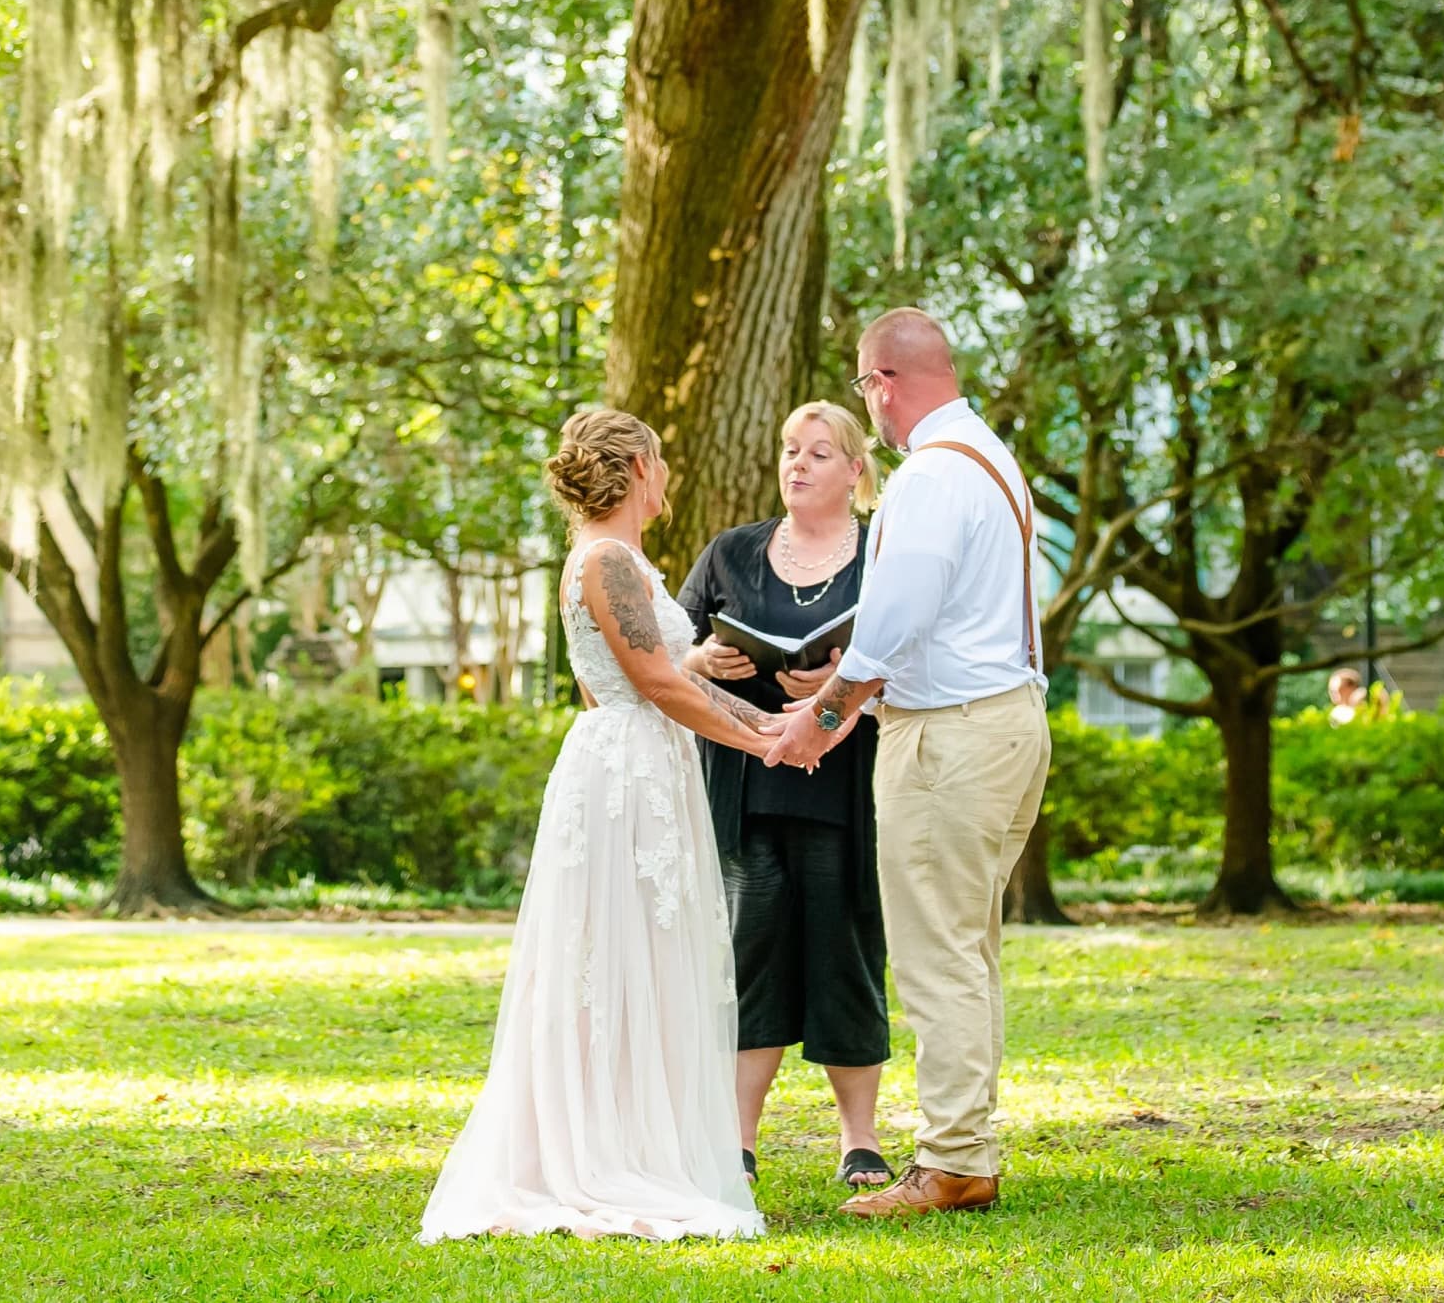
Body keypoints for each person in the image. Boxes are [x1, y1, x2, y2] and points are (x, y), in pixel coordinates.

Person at [421, 407, 772, 1245]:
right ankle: (601, 1151)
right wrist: (767, 740)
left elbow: (657, 676)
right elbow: (659, 683)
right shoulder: (606, 558)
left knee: (637, 953)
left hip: (641, 764)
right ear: (638, 466)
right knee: (612, 954)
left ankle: (631, 1134)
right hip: (626, 773)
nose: (668, 474)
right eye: (662, 459)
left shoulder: (609, 557)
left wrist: (764, 725)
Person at [768, 309, 1049, 1221]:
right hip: (1007, 721)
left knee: (937, 951)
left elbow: (896, 619)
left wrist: (826, 715)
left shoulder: (929, 474)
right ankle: (967, 1144)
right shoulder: (992, 458)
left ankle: (954, 1159)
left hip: (949, 736)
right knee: (968, 944)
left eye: (863, 386)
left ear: (882, 382)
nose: (868, 405)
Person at [677, 402, 891, 1192]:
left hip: (845, 779)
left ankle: (859, 1138)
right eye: (790, 449)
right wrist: (704, 660)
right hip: (745, 781)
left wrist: (844, 687)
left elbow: (911, 656)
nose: (797, 463)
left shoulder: (884, 552)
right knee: (751, 949)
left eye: (818, 452)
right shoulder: (731, 552)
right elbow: (669, 652)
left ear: (855, 470)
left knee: (845, 945)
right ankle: (737, 1138)